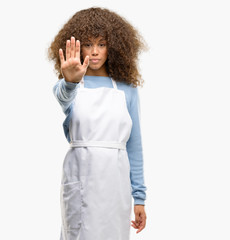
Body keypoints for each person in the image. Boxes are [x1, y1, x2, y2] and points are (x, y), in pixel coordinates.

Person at [48, 7, 148, 240]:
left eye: (101, 44)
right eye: (88, 44)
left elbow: (135, 144)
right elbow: (62, 97)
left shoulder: (126, 90)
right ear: (77, 46)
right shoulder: (70, 86)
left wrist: (140, 197)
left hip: (116, 180)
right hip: (80, 176)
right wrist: (71, 81)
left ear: (113, 46)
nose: (94, 52)